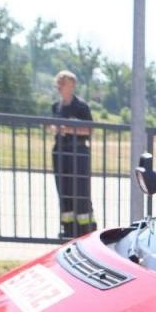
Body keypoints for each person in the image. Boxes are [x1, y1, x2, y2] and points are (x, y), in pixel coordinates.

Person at [49, 71, 96, 239]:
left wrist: (68, 128)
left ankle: (86, 232)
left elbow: (89, 130)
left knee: (81, 192)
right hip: (60, 151)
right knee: (64, 191)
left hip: (78, 151)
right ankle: (68, 230)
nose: (60, 85)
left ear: (72, 85)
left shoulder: (81, 107)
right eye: (58, 82)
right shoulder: (56, 106)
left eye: (64, 82)